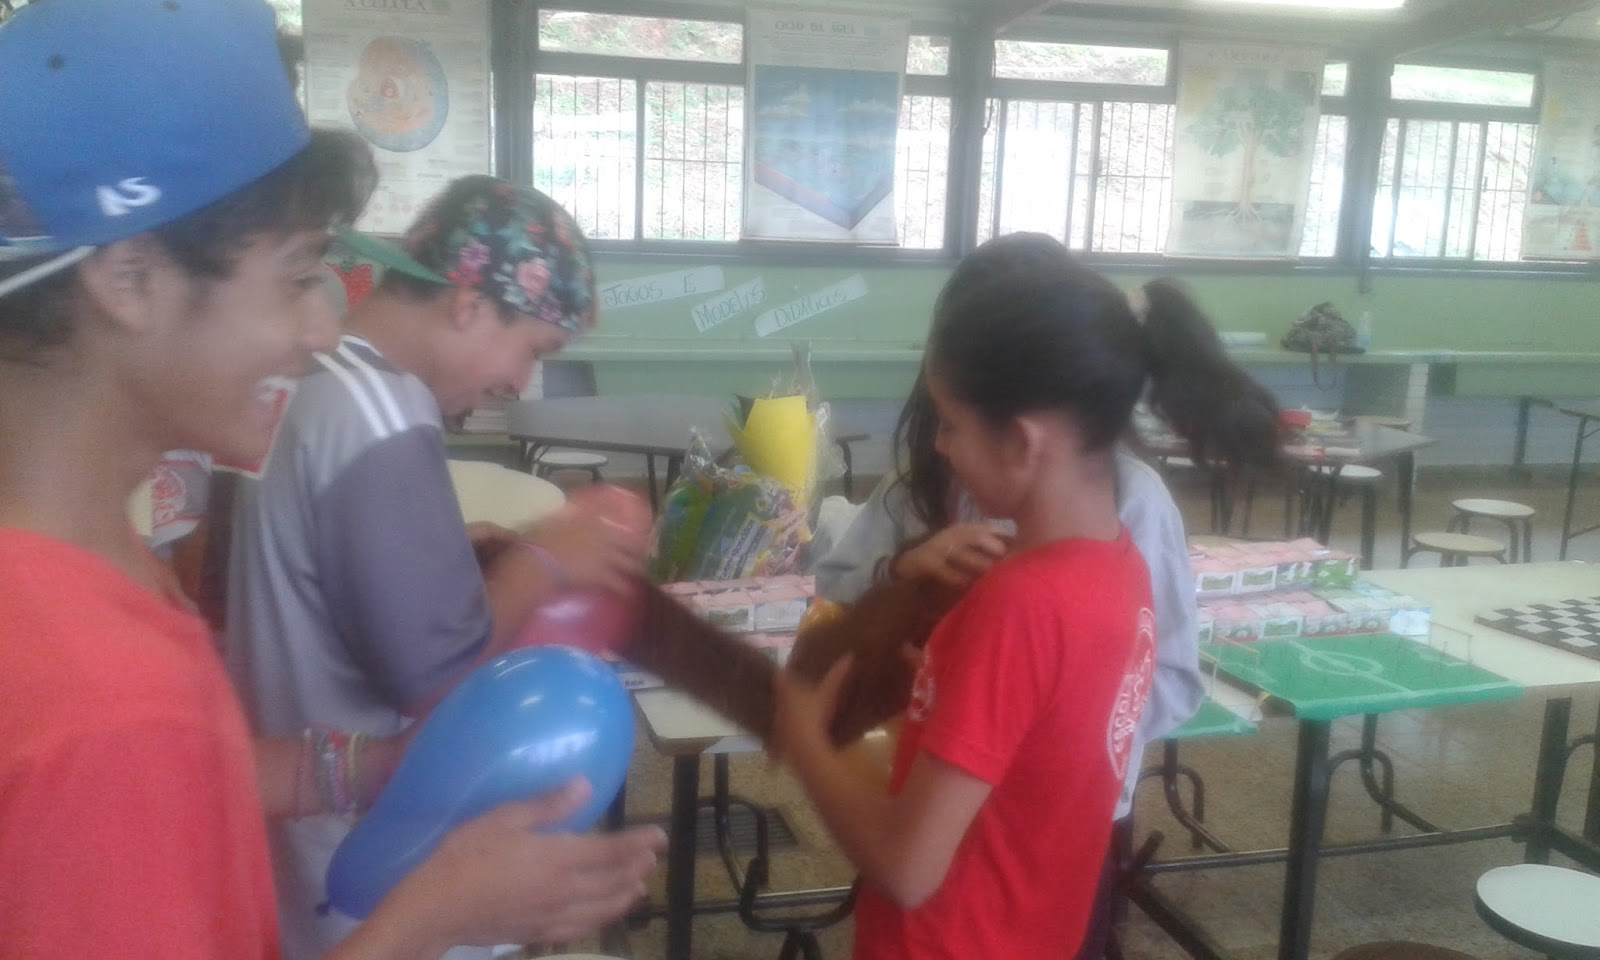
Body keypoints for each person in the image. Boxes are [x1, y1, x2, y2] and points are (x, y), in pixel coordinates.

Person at [0, 1, 663, 956]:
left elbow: (193, 769)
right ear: (131, 278)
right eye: (295, 274)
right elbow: (136, 752)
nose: (321, 330)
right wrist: (434, 915)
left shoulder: (98, 565)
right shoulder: (101, 703)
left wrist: (374, 767)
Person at [774, 232, 1282, 960]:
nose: (939, 446)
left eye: (951, 424)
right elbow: (1046, 738)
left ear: (1021, 441)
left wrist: (804, 739)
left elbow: (908, 872)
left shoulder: (1014, 603)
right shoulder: (1119, 564)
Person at [220, 173, 645, 960]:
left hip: (296, 835)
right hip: (370, 861)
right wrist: (548, 558)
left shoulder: (310, 382)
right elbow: (437, 680)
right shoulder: (377, 410)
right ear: (470, 304)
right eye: (534, 350)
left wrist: (449, 552)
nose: (517, 384)